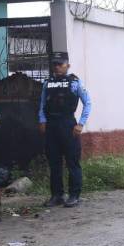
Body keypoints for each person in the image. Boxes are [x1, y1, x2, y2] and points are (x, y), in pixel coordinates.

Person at [39, 52, 91, 207]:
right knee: (54, 162)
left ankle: (74, 195)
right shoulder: (47, 83)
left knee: (72, 161)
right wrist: (42, 120)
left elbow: (87, 103)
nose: (56, 67)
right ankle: (57, 195)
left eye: (60, 64)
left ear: (67, 65)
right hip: (51, 125)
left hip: (68, 124)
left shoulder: (75, 82)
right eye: (54, 64)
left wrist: (81, 124)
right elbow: (42, 104)